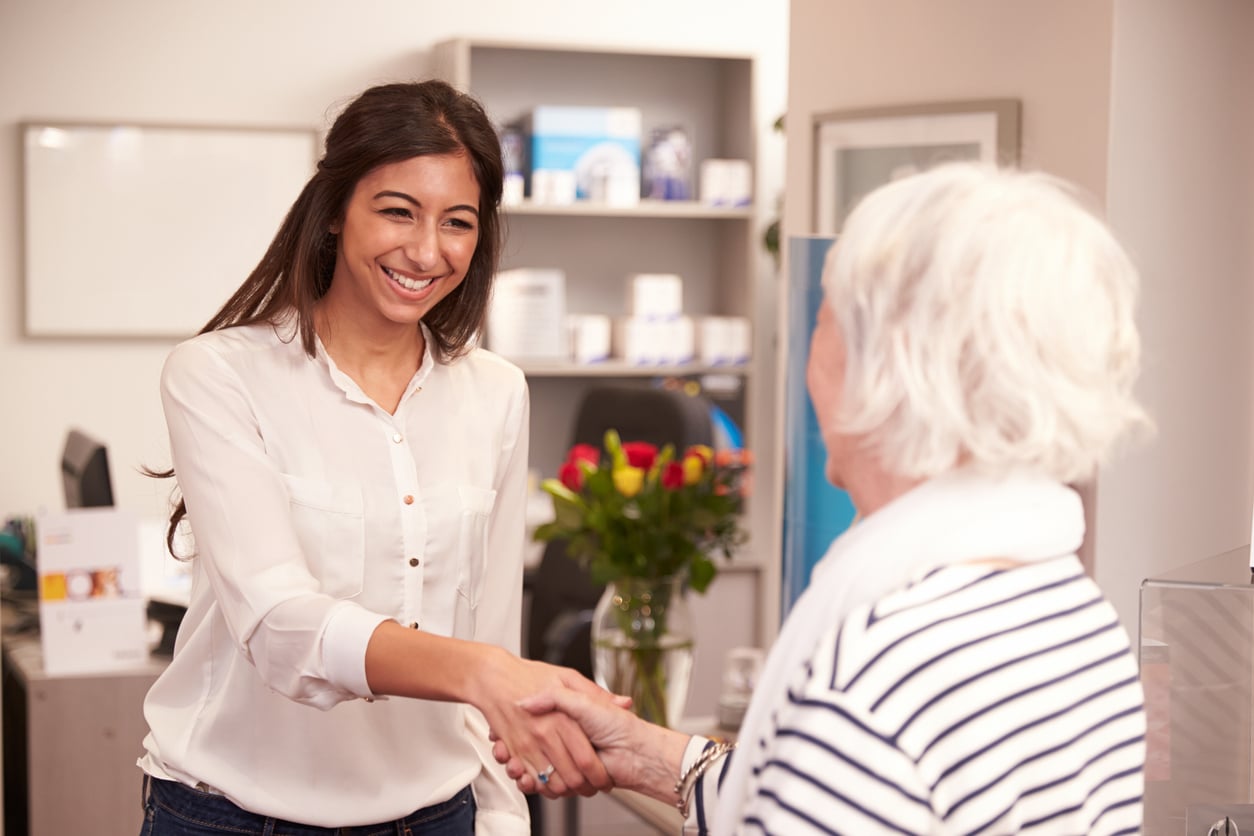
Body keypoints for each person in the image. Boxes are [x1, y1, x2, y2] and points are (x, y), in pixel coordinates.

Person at [495, 161, 1152, 834]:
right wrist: (640, 749)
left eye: (826, 318)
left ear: (889, 366)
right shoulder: (1079, 618)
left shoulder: (870, 677)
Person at [138, 80, 620, 836]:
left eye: (457, 222)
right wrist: (479, 672)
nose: (427, 251)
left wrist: (499, 819)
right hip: (232, 815)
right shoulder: (218, 374)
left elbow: (491, 627)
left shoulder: (496, 392)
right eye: (398, 210)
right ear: (334, 211)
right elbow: (279, 624)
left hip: (436, 815)